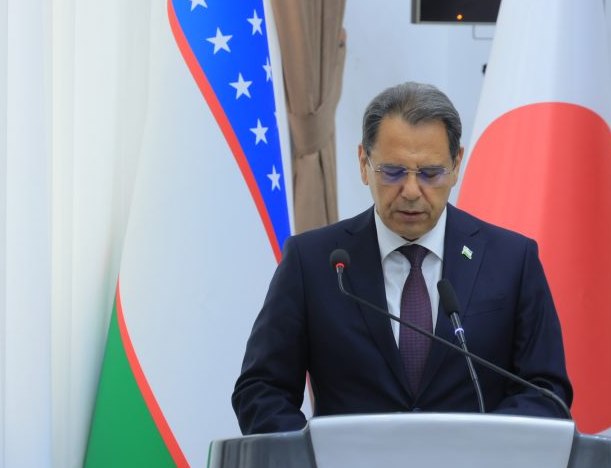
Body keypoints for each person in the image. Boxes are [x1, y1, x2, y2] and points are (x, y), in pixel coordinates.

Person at [232, 82, 573, 435]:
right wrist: (312, 462)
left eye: (430, 173)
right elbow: (261, 390)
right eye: (392, 172)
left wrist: (481, 451)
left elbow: (546, 391)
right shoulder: (313, 262)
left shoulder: (512, 260)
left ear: (456, 164)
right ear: (364, 164)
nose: (411, 191)